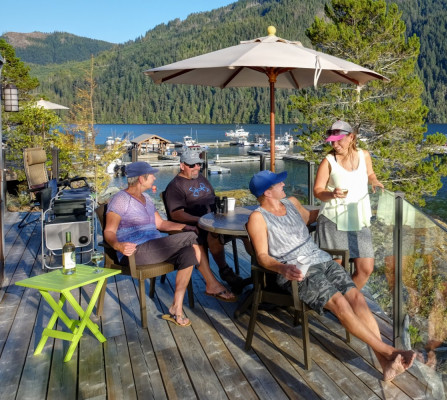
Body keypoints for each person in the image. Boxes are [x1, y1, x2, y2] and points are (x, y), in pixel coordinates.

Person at [247, 169, 415, 381]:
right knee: (340, 304)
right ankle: (390, 352)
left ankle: (384, 363)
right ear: (267, 193)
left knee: (356, 298)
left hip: (321, 259)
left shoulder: (291, 203)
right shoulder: (258, 218)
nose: (283, 184)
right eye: (278, 184)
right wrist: (282, 268)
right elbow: (262, 256)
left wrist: (343, 206)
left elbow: (311, 217)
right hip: (296, 271)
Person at [104, 161, 236, 327]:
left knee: (188, 253)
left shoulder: (146, 198)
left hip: (155, 247)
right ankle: (212, 284)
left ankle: (176, 307)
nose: (154, 177)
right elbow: (109, 231)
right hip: (134, 252)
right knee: (191, 237)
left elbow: (161, 225)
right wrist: (118, 245)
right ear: (140, 179)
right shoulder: (120, 200)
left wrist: (186, 226)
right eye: (151, 175)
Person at [313, 120, 384, 290]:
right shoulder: (328, 161)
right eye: (332, 141)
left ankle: (344, 301)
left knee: (366, 269)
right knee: (336, 269)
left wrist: (374, 181)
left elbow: (370, 173)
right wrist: (331, 194)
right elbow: (317, 191)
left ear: (351, 137)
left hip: (359, 217)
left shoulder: (364, 155)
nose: (335, 144)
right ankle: (338, 306)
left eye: (339, 140)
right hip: (333, 219)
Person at [163, 150, 246, 294]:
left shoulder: (201, 178)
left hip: (217, 219)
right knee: (213, 234)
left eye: (199, 164)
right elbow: (176, 214)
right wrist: (202, 220)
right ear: (182, 165)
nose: (196, 167)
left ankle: (264, 272)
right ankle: (225, 271)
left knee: (248, 228)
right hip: (197, 226)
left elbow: (212, 198)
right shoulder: (175, 186)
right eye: (192, 165)